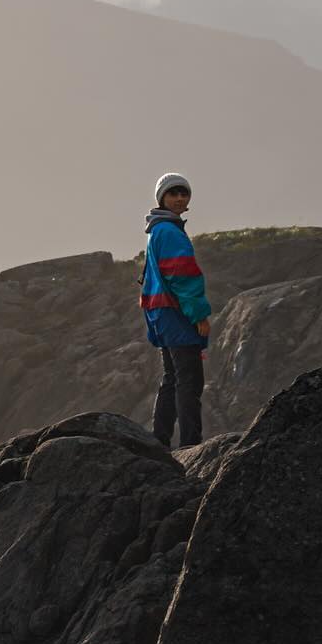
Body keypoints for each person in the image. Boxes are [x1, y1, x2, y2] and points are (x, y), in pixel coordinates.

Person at [140, 172, 211, 449]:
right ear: (162, 198)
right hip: (177, 314)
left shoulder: (157, 230)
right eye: (173, 194)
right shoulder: (169, 231)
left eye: (184, 194)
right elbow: (182, 276)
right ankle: (191, 446)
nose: (180, 198)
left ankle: (160, 441)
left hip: (161, 315)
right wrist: (199, 315)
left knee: (171, 378)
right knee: (189, 381)